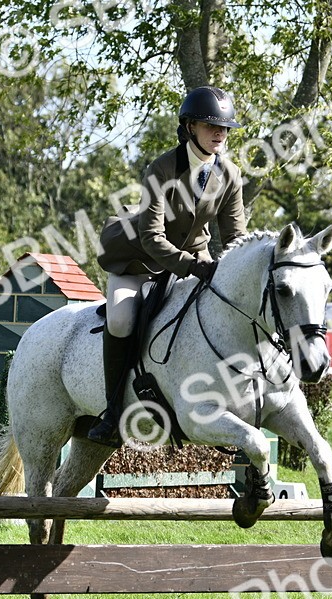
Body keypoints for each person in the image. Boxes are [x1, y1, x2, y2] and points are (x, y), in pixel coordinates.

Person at [91, 86, 248, 447]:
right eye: (211, 126)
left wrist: (233, 270)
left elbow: (235, 236)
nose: (220, 134)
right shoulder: (162, 168)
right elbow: (151, 237)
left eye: (224, 128)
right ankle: (113, 411)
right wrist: (194, 267)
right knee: (120, 320)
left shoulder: (231, 175)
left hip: (194, 255)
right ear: (190, 126)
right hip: (139, 260)